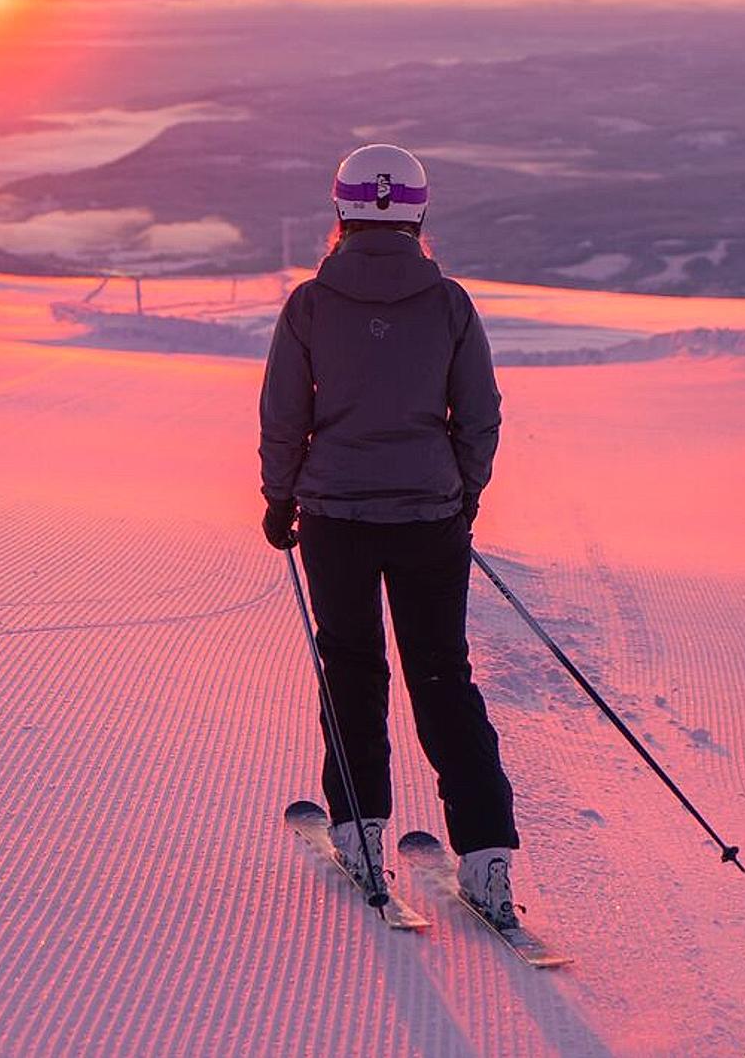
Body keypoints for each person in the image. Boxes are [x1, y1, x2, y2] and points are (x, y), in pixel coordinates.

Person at [259, 144, 520, 925]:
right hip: (429, 517)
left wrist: (280, 499)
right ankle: (486, 858)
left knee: (352, 671)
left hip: (334, 517)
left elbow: (283, 415)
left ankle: (362, 831)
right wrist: (463, 493)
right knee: (442, 677)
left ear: (340, 212)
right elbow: (479, 415)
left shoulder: (310, 302)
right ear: (418, 214)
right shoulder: (449, 303)